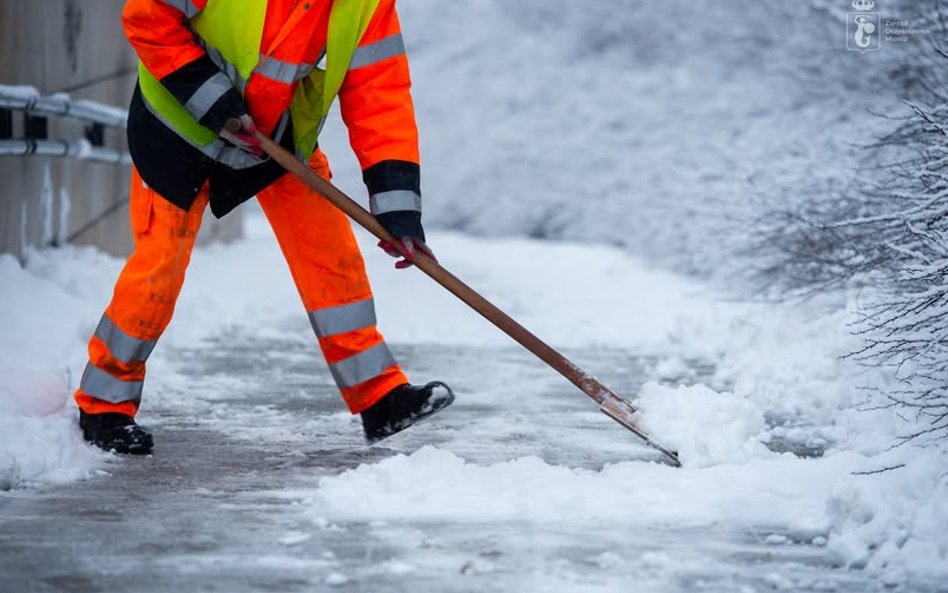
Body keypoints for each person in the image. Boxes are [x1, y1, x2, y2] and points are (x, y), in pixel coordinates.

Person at [74, 0, 454, 455]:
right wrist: (216, 104)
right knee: (160, 268)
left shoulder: (366, 6)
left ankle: (379, 397)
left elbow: (380, 95)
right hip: (180, 126)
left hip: (275, 140)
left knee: (329, 256)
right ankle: (104, 405)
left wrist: (399, 210)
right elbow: (147, 17)